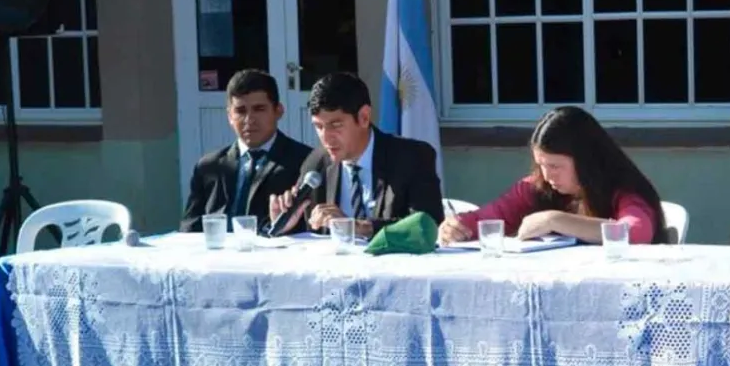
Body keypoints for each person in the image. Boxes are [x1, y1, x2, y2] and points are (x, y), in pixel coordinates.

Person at [438, 105, 668, 245]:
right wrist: (456, 227)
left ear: (586, 160)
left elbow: (636, 233)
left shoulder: (623, 188)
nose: (547, 176)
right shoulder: (536, 186)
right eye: (541, 165)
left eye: (556, 166)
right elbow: (488, 218)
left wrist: (555, 220)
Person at [269, 72, 444, 237]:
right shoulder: (316, 163)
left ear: (364, 117)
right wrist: (287, 225)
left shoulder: (412, 157)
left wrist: (358, 227)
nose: (326, 137)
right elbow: (311, 235)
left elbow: (427, 226)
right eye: (318, 126)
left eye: (336, 125)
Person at [181, 69, 312, 233]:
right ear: (229, 116)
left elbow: (311, 228)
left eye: (259, 109)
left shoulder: (305, 162)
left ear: (278, 111)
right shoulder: (208, 166)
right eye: (241, 111)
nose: (249, 120)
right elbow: (190, 228)